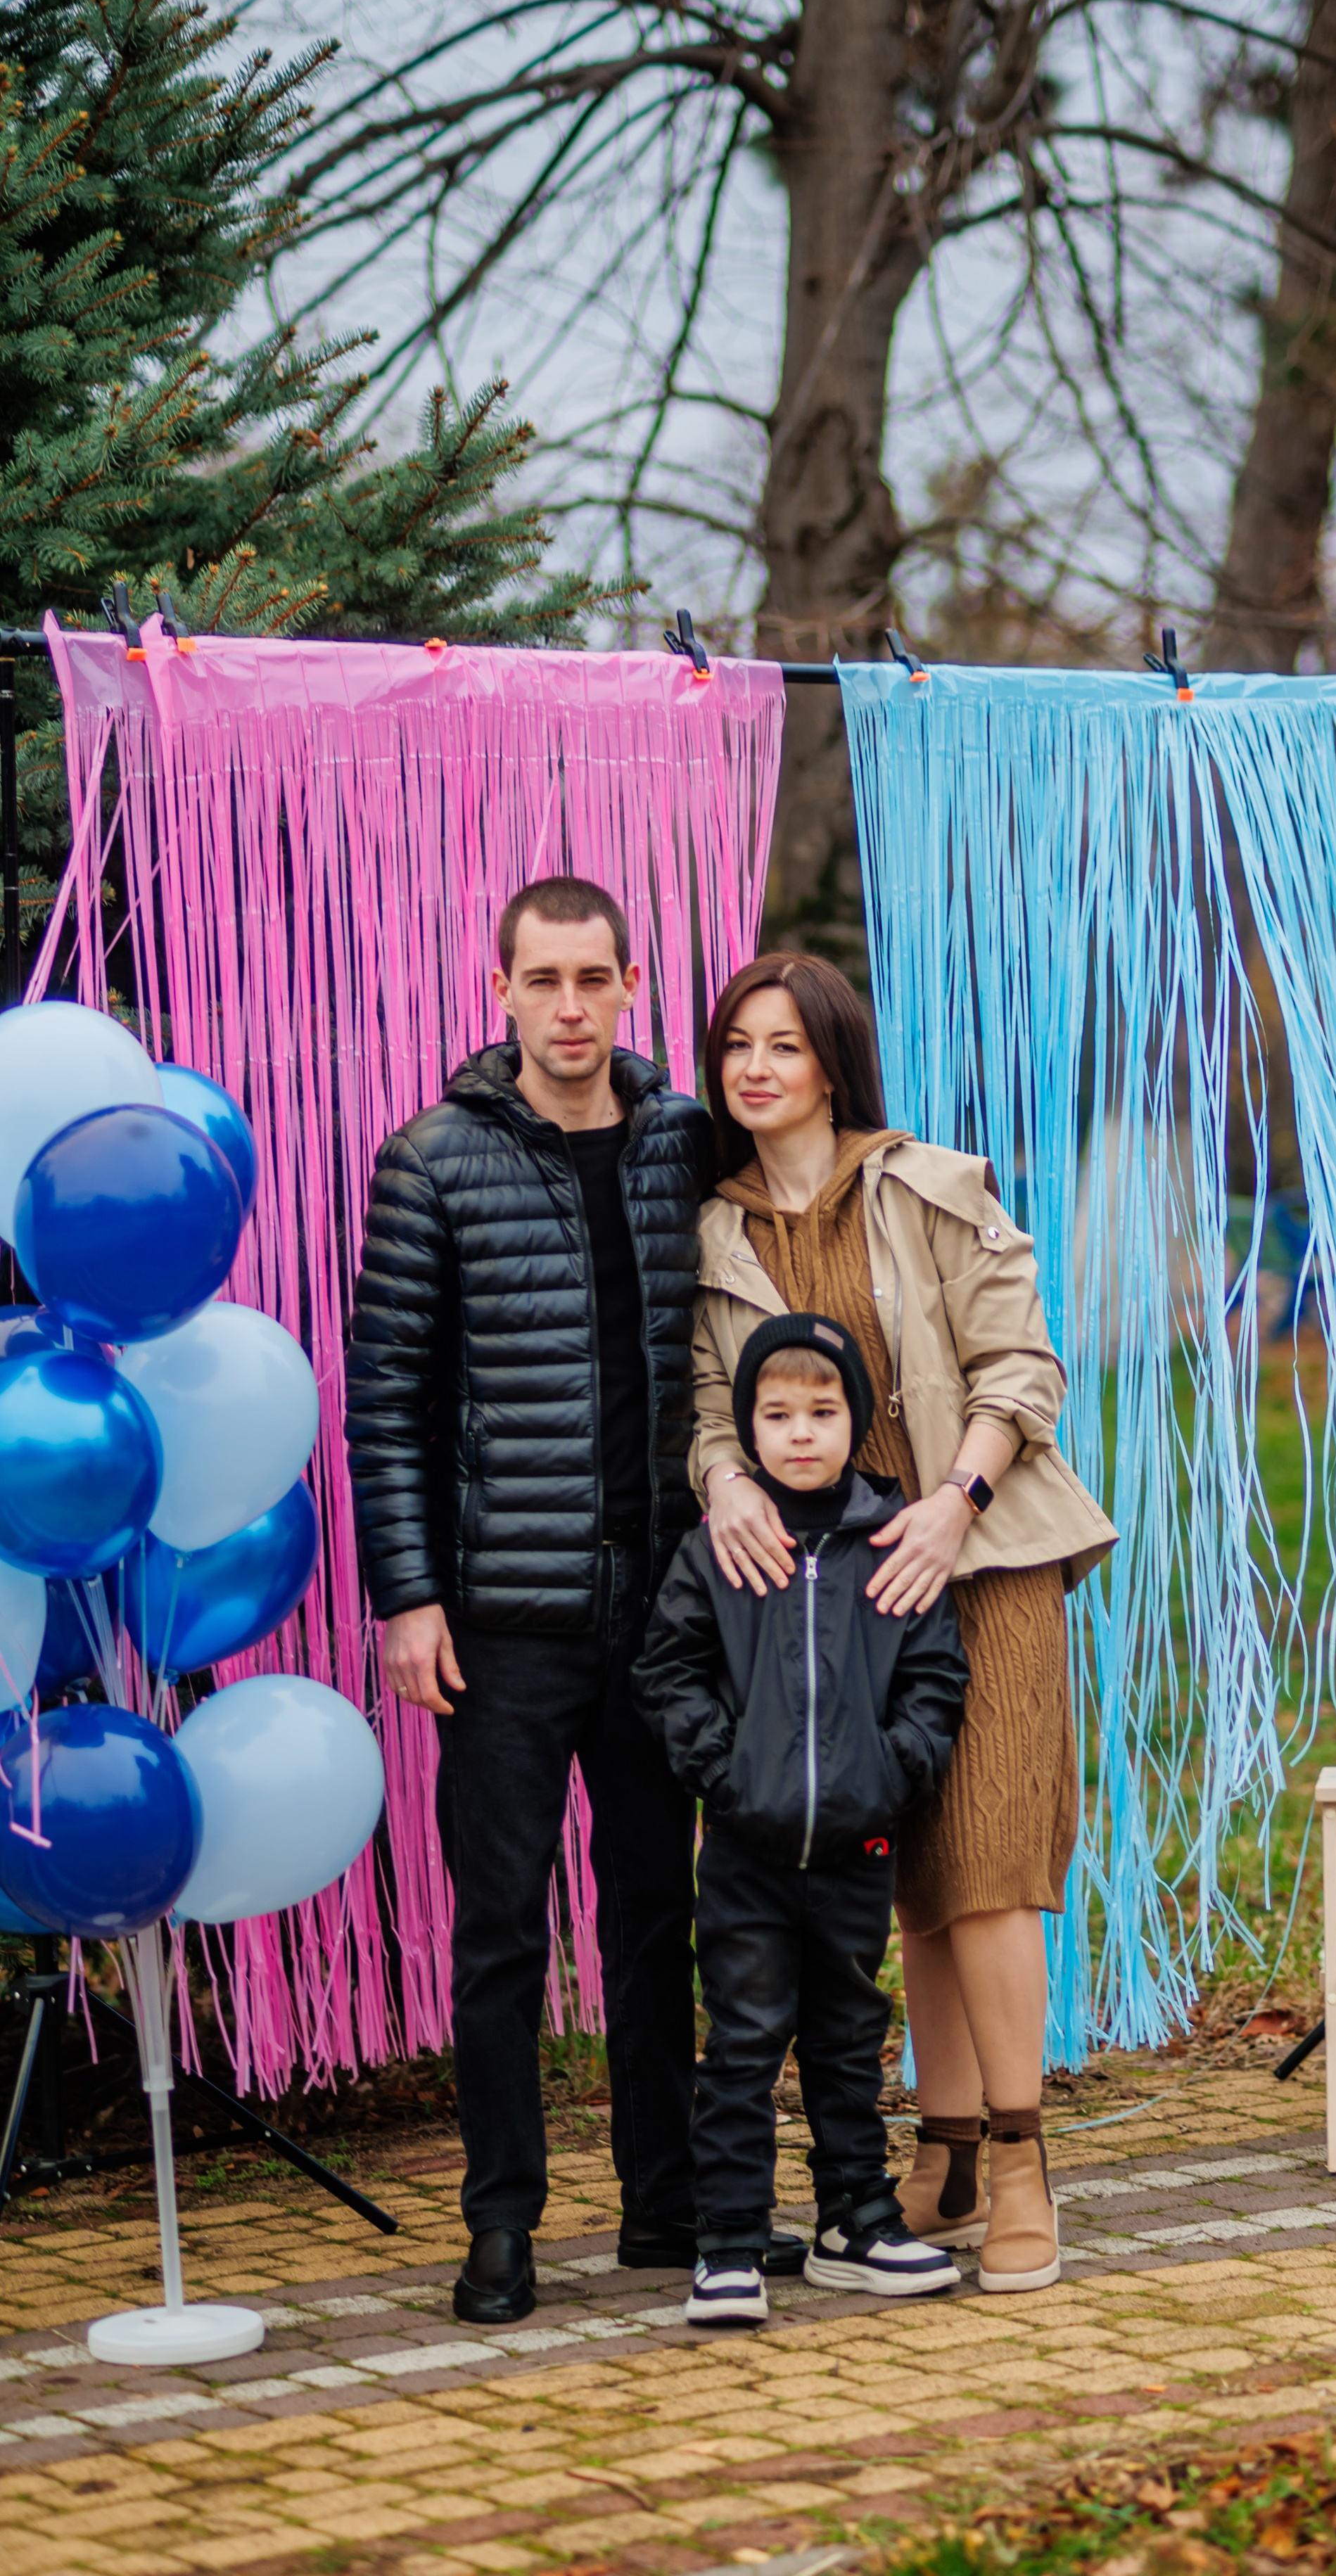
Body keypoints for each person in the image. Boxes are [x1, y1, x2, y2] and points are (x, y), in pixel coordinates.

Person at [690, 955, 1116, 2295]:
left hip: (974, 1564)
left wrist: (954, 1502)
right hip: (834, 1595)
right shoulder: (715, 1234)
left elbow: (1023, 1367)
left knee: (985, 1866)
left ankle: (1024, 2163)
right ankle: (940, 2142)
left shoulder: (934, 1186)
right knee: (907, 1874)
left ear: (832, 1064)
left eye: (785, 1046)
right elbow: (712, 1407)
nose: (757, 1069)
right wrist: (718, 1479)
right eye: (737, 1047)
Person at [345, 874, 735, 2327]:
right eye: (542, 981)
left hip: (662, 1611)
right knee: (504, 1927)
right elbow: (386, 1403)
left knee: (654, 1916)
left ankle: (665, 2205)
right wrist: (408, 1596)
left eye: (593, 978)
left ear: (630, 983)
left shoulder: (682, 1142)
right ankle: (500, 2223)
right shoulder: (430, 1162)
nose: (569, 1006)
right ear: (500, 990)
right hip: (501, 1626)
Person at [633, 1311, 970, 2326]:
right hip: (745, 1848)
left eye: (822, 1412)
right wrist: (722, 1773)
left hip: (859, 1848)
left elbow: (935, 1677)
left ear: (853, 1420)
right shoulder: (722, 1548)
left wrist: (891, 1771)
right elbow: (670, 1669)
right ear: (750, 1429)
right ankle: (728, 2243)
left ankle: (854, 2221)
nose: (801, 1434)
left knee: (843, 2037)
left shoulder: (892, 1540)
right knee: (742, 2042)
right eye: (777, 1415)